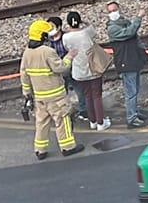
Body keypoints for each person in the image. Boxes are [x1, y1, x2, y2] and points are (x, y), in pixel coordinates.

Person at [19, 19, 83, 159]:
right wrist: (69, 57)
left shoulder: (27, 53)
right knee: (62, 120)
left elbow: (24, 74)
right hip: (56, 96)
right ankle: (68, 147)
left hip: (39, 97)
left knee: (41, 123)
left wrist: (27, 93)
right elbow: (61, 68)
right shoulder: (48, 52)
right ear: (43, 36)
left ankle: (40, 150)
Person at [103, 1, 148, 127]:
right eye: (110, 11)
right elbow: (130, 32)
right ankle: (131, 118)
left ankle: (134, 112)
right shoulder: (112, 29)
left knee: (135, 89)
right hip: (125, 62)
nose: (113, 13)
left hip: (132, 60)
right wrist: (139, 17)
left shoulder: (123, 21)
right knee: (131, 91)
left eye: (114, 10)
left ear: (119, 9)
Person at [62, 9, 110, 130]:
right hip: (93, 68)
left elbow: (67, 48)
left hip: (79, 71)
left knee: (87, 96)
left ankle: (92, 121)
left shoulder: (66, 37)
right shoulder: (86, 32)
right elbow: (94, 31)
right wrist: (85, 22)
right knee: (97, 96)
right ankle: (101, 122)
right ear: (79, 21)